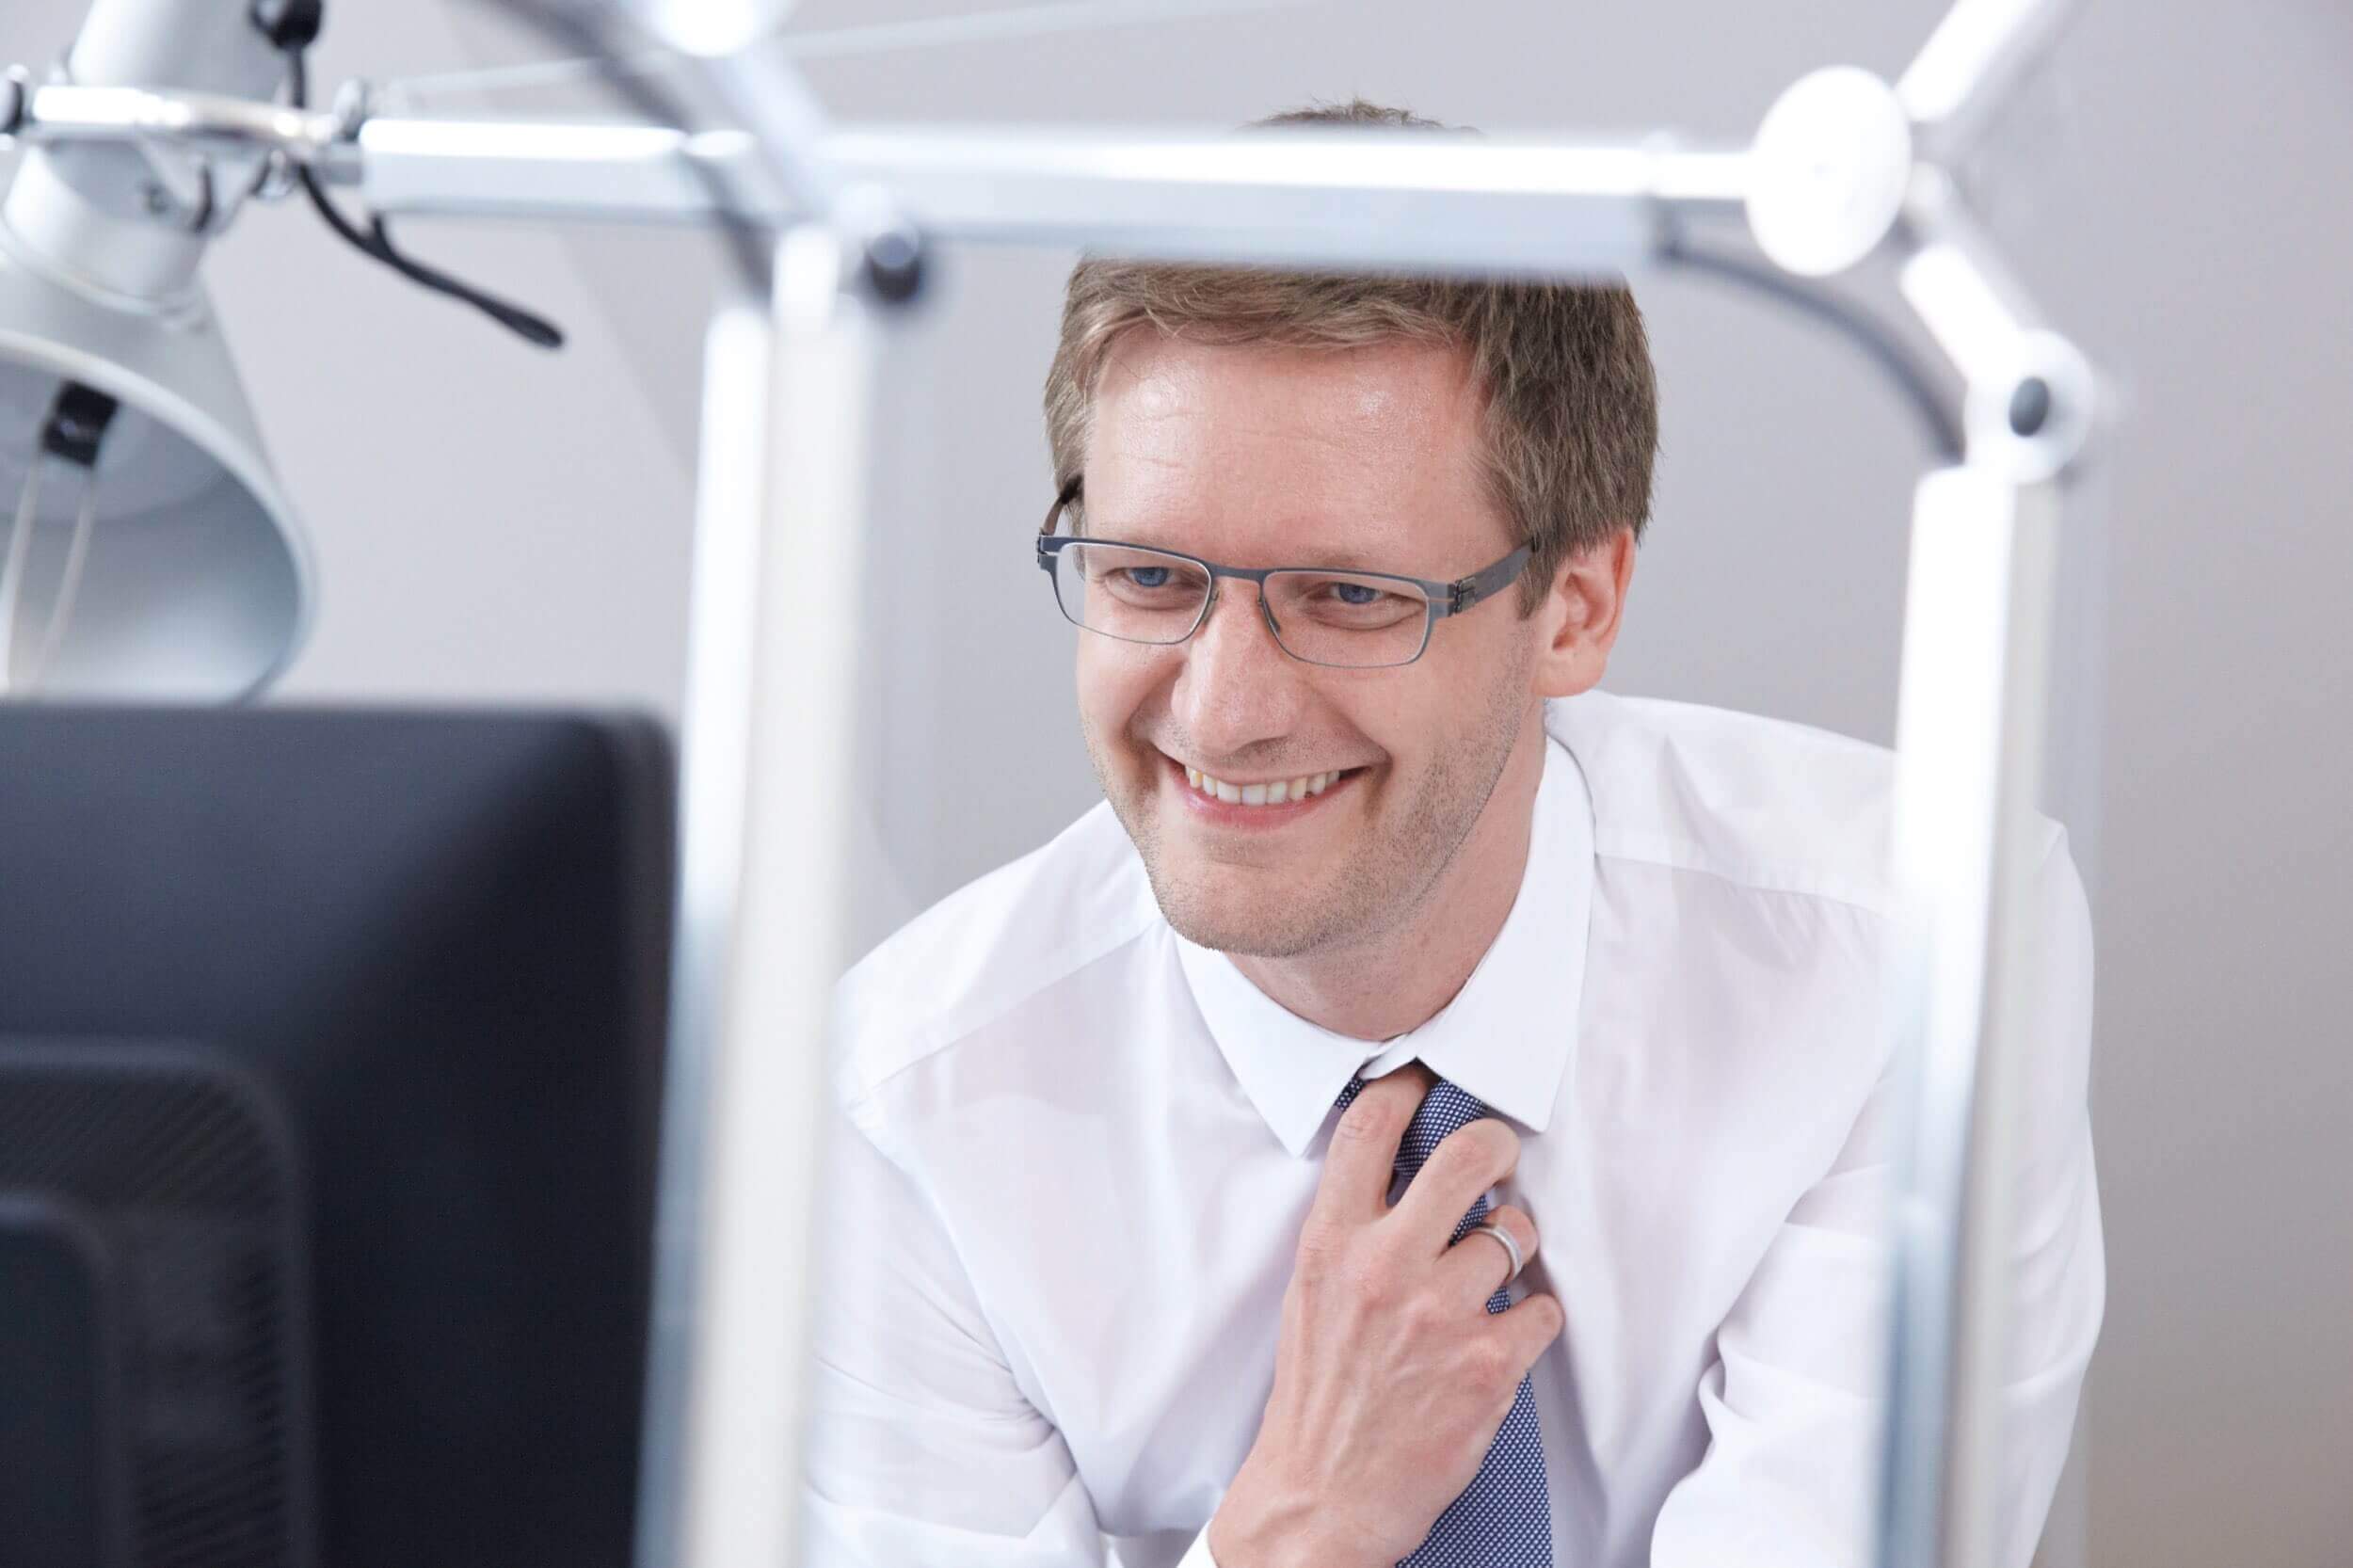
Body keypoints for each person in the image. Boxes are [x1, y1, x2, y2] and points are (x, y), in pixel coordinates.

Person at [801, 101, 2103, 1568]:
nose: (1223, 715)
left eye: (1351, 596)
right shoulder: (891, 1120)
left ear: (1576, 607)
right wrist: (1296, 1531)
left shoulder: (1919, 951)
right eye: (1153, 575)